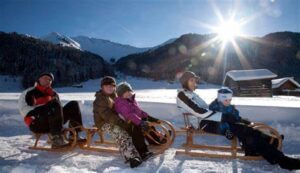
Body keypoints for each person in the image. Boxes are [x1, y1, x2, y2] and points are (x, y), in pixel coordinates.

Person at [176, 71, 300, 171]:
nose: (194, 82)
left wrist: (221, 109)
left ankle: (263, 144)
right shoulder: (182, 95)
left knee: (242, 124)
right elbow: (199, 112)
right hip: (203, 124)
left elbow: (205, 109)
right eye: (191, 80)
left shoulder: (192, 94)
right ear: (184, 82)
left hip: (209, 120)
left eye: (195, 80)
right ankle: (283, 161)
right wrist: (223, 116)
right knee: (241, 128)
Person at [18, 72, 86, 149]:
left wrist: (52, 100)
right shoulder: (30, 92)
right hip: (36, 123)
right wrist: (45, 107)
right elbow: (25, 110)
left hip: (53, 122)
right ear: (39, 79)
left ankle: (74, 135)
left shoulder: (53, 94)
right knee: (53, 104)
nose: (48, 80)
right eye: (45, 78)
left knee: (73, 104)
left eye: (50, 79)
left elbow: (58, 109)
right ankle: (57, 139)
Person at [93, 76, 143, 168]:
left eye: (112, 86)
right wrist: (121, 123)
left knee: (133, 125)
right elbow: (107, 115)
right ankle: (132, 157)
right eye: (107, 86)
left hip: (116, 119)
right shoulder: (100, 99)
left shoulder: (115, 95)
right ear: (102, 87)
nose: (110, 88)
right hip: (103, 122)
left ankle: (140, 146)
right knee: (119, 132)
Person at [115, 82, 165, 147]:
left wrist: (149, 117)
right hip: (127, 123)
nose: (128, 94)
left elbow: (139, 111)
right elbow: (129, 115)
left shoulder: (131, 100)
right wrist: (140, 122)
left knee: (147, 122)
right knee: (144, 126)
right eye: (125, 93)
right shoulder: (121, 103)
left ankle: (156, 137)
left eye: (129, 92)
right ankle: (154, 141)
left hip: (135, 120)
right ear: (121, 95)